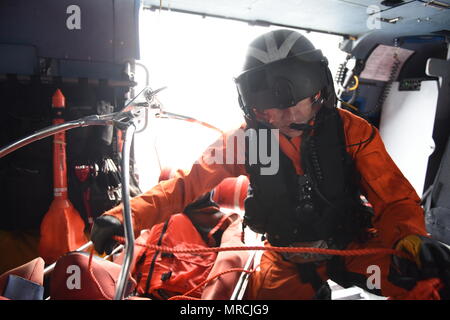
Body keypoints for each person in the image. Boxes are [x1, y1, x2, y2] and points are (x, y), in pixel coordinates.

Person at [91, 29, 450, 300]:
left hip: (352, 249)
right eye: (265, 108)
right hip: (285, 259)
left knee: (426, 283)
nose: (275, 117)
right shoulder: (249, 140)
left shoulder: (350, 132)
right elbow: (185, 186)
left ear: (317, 93)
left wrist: (411, 238)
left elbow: (395, 199)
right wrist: (123, 217)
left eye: (287, 105)